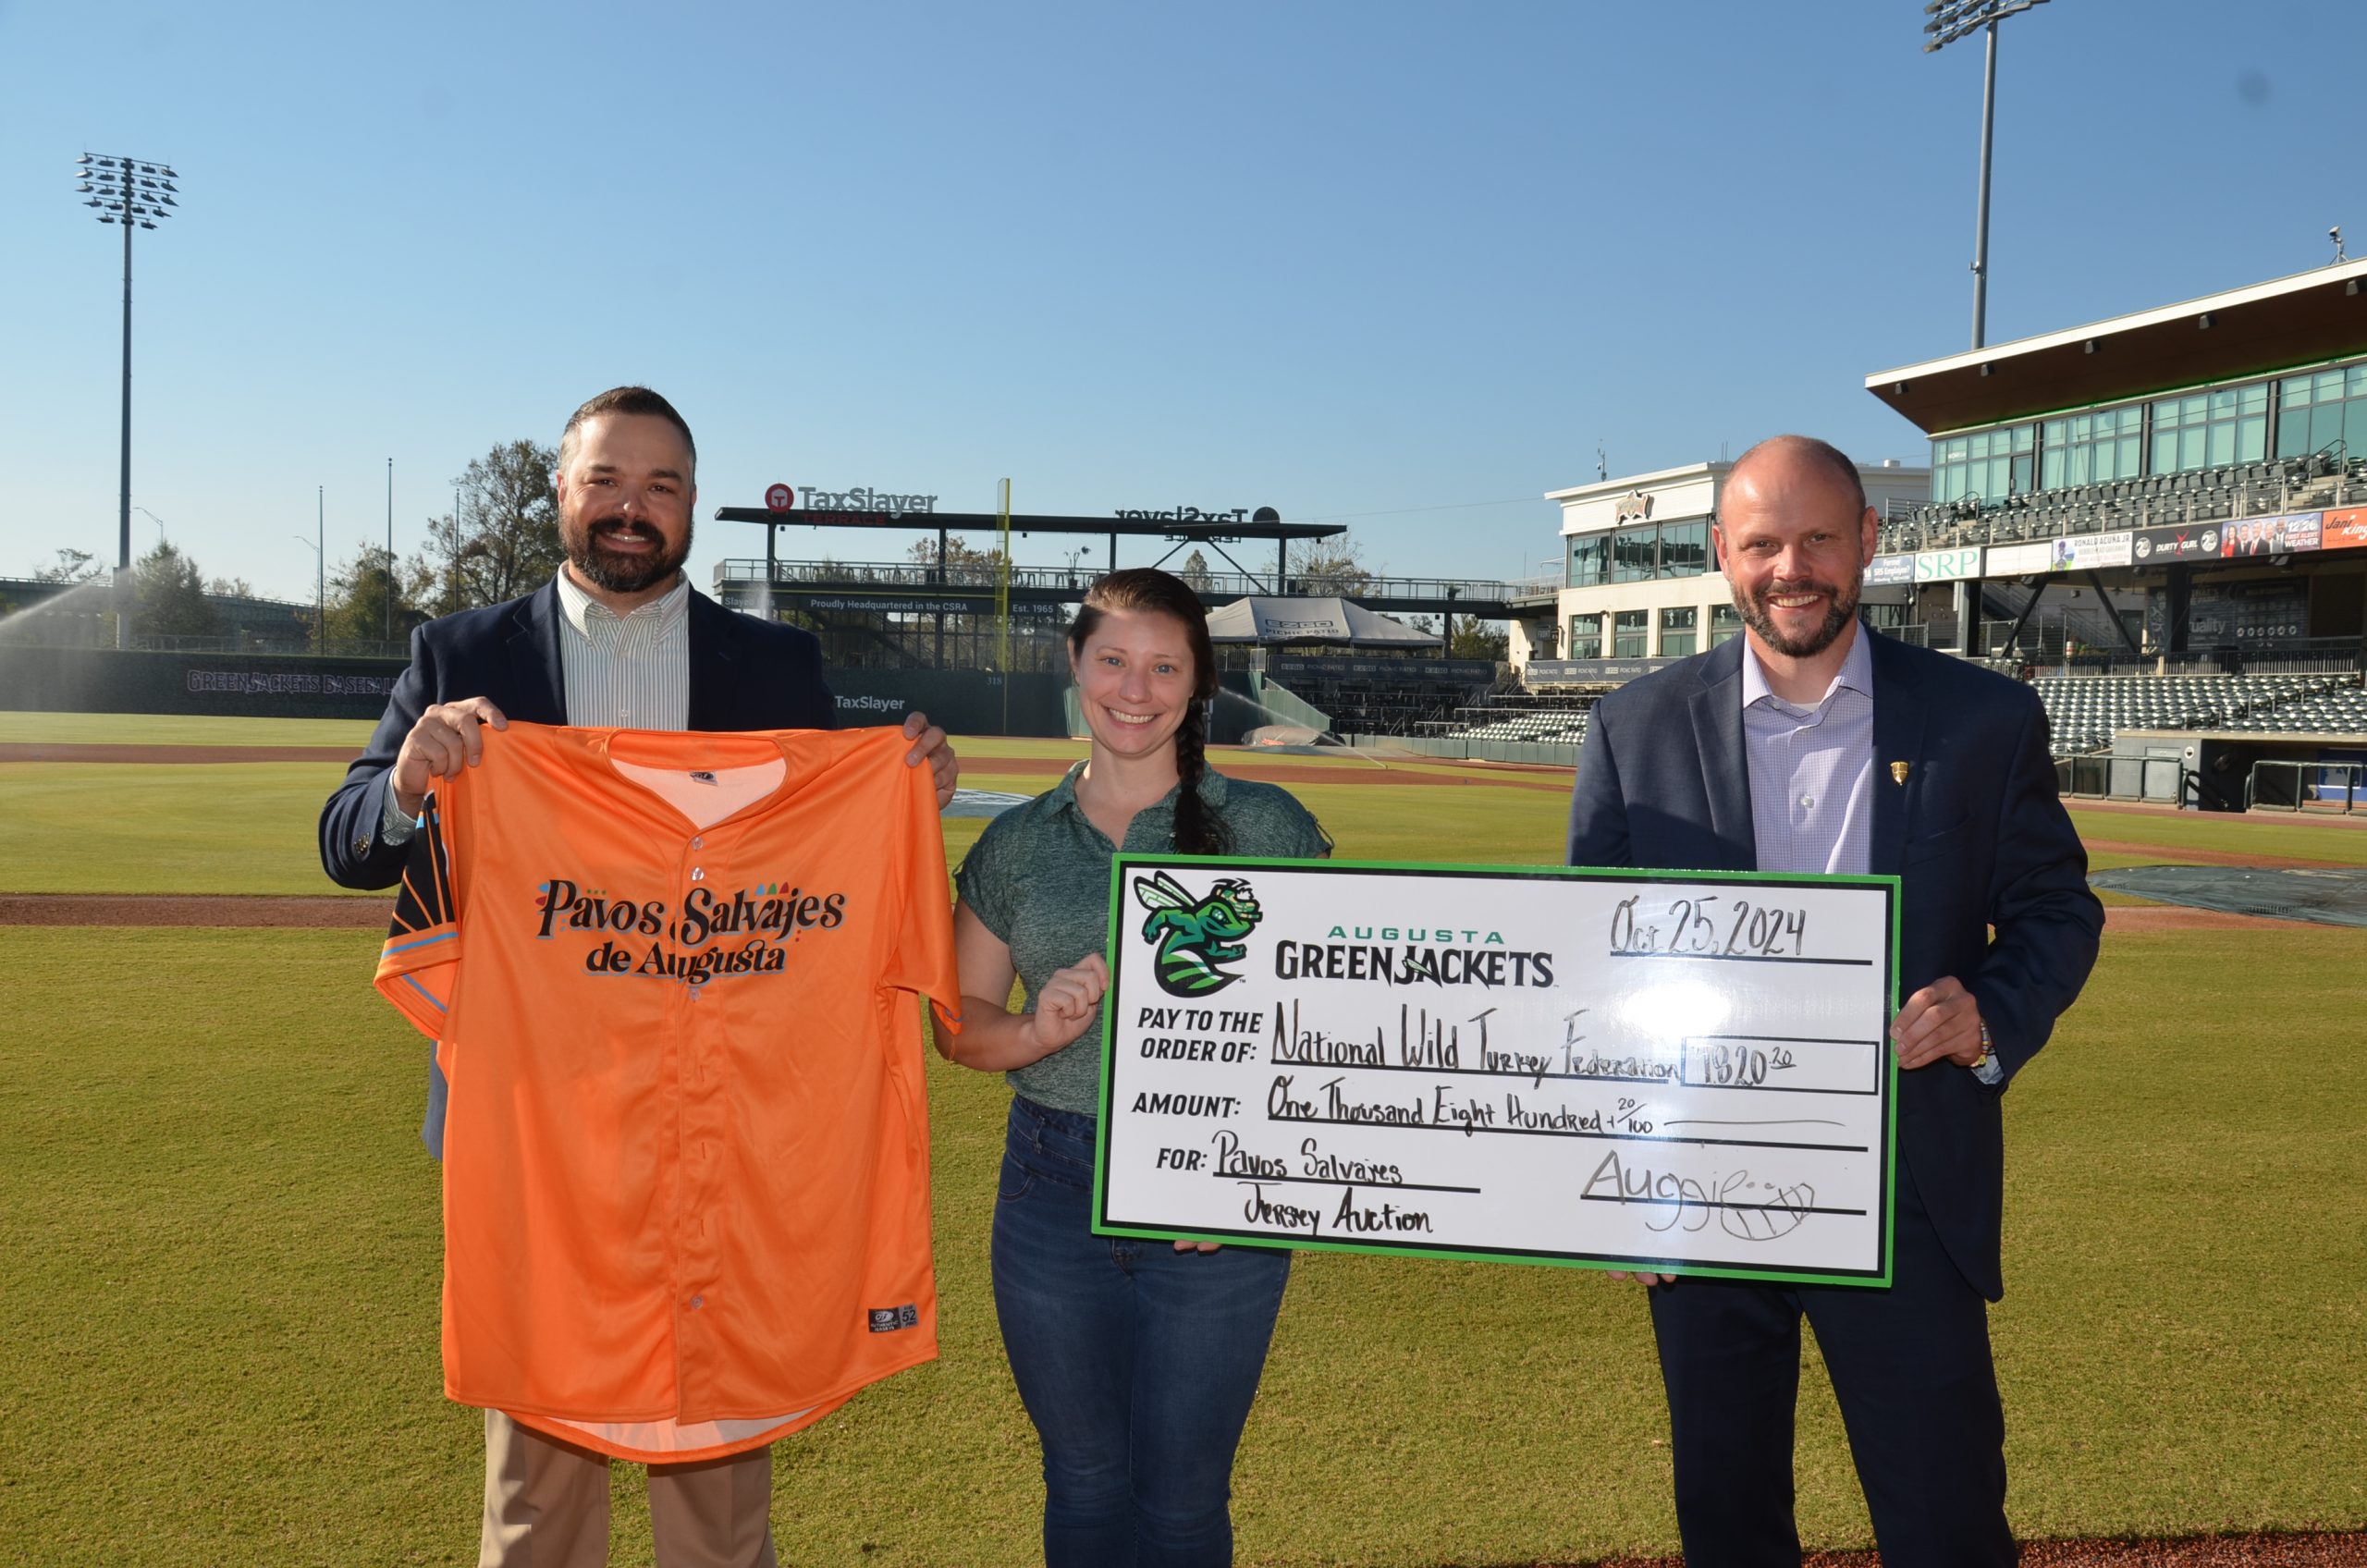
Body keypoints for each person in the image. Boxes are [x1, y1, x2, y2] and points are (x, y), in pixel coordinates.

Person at [316, 385, 958, 1568]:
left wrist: (912, 785)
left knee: (716, 1480)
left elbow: (825, 865)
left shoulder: (774, 662)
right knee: (538, 1492)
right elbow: (348, 838)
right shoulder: (458, 653)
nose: (632, 507)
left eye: (661, 486)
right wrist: (408, 783)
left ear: (692, 506)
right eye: (608, 479)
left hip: (727, 1117)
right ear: (561, 492)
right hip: (538, 1128)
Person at [1565, 435, 2103, 1568]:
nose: (1789, 567)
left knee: (1945, 1520)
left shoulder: (1982, 718)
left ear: (1866, 540)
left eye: (1817, 537)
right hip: (1700, 1197)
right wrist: (1614, 1187)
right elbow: (1595, 974)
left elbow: (2057, 908)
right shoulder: (1634, 727)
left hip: (1905, 1190)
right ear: (1723, 554)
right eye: (1761, 543)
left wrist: (1988, 1013)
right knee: (1726, 1521)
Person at [946, 568, 1329, 1567]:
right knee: (1079, 1481)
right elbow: (959, 1026)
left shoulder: (1269, 827)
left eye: (1164, 665)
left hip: (1214, 1207)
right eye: (1112, 659)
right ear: (1074, 665)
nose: (1134, 686)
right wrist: (1035, 1032)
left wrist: (1238, 1173)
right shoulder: (1017, 842)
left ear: (1198, 682)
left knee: (1180, 1501)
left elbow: (1328, 1026)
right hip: (1048, 1189)